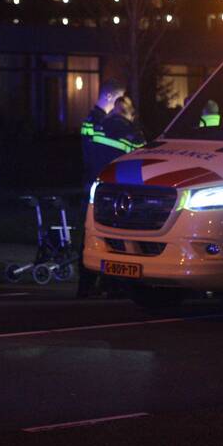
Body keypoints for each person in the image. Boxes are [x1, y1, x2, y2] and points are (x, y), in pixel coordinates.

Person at [79, 95, 147, 299]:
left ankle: (85, 288)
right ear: (130, 113)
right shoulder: (135, 135)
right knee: (117, 243)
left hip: (94, 192)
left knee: (90, 240)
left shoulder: (97, 127)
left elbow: (84, 138)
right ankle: (115, 287)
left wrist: (96, 111)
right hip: (122, 198)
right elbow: (143, 166)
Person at [77, 79, 126, 299]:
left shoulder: (93, 121)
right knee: (102, 235)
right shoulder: (105, 124)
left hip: (94, 185)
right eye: (118, 100)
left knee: (93, 235)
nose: (119, 106)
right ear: (110, 98)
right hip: (102, 188)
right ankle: (105, 284)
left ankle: (90, 285)